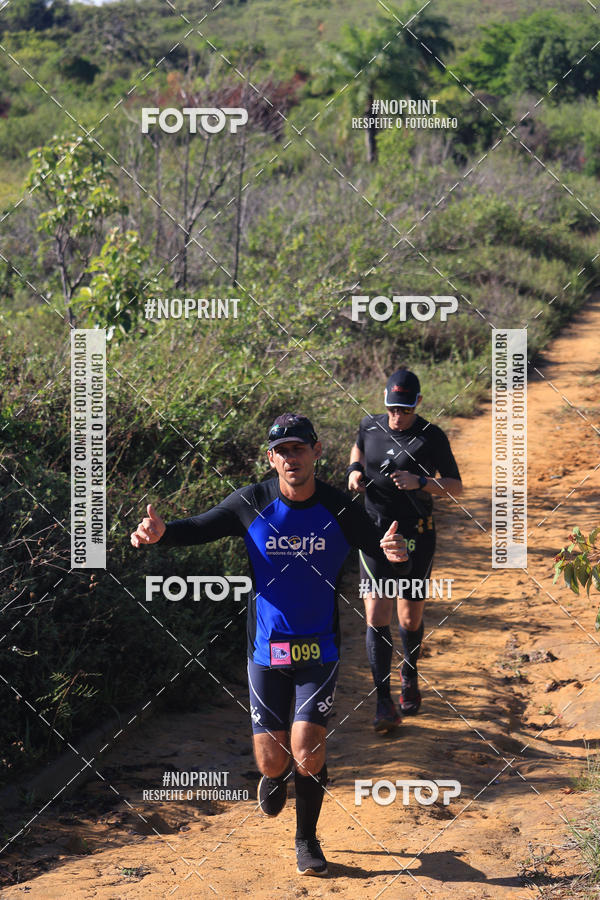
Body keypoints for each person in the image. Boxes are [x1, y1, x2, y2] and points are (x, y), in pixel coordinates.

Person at [131, 413, 408, 876]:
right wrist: (163, 535)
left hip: (319, 648)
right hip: (266, 649)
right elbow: (200, 527)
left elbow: (382, 550)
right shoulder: (252, 502)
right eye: (282, 451)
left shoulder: (341, 509)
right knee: (272, 758)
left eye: (299, 448)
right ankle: (275, 778)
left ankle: (307, 841)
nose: (291, 458)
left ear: (317, 452)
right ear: (271, 458)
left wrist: (398, 556)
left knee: (307, 747)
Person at [347, 369, 463, 732]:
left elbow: (456, 486)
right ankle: (383, 702)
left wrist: (422, 482)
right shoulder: (369, 426)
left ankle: (409, 672)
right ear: (385, 403)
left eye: (405, 410)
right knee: (376, 614)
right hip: (375, 535)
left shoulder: (432, 437)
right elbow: (360, 448)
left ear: (419, 404)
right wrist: (353, 470)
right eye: (392, 409)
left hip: (417, 535)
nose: (397, 417)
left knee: (409, 619)